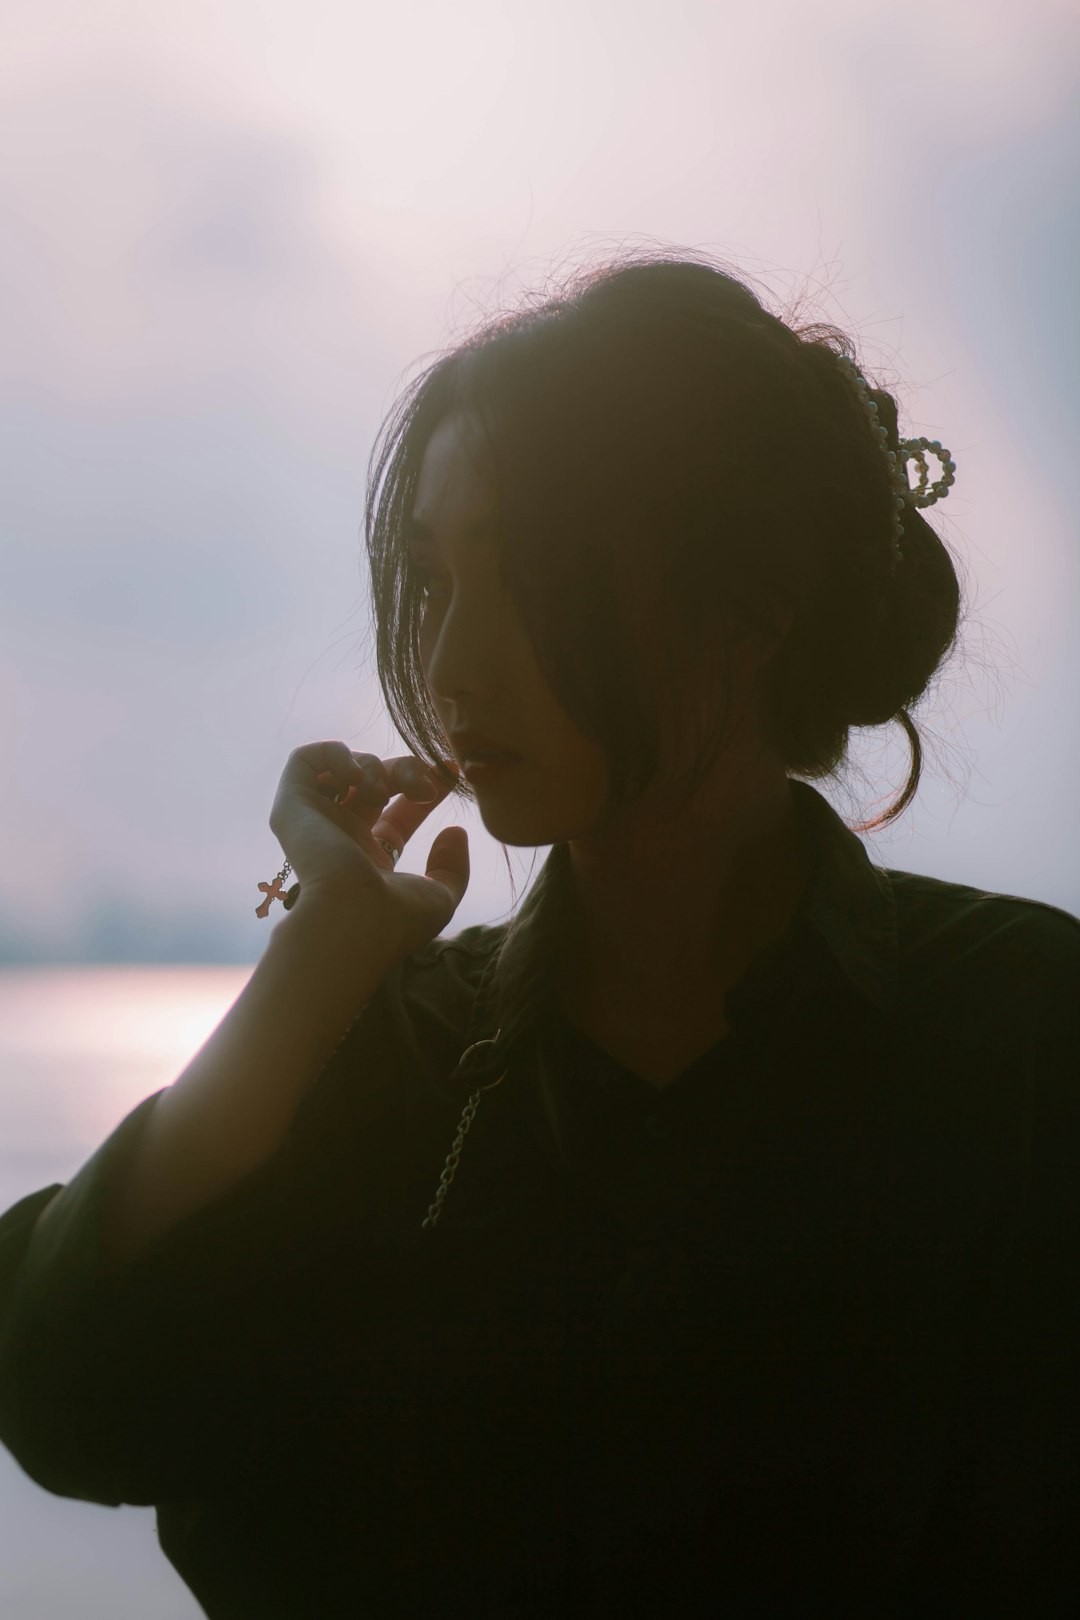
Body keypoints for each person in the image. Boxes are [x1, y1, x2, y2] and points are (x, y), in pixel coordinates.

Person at [1, 249, 1078, 1618]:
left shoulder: (1025, 1035)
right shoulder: (387, 1056)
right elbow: (69, 1408)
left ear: (749, 603)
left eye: (530, 576)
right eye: (435, 578)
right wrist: (310, 967)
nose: (450, 666)